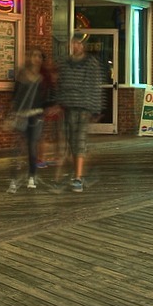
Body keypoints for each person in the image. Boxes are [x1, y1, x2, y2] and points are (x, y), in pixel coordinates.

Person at [55, 36, 105, 193]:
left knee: (79, 141)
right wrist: (57, 102)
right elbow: (59, 84)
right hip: (68, 106)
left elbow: (95, 86)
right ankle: (78, 171)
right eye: (73, 43)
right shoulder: (64, 63)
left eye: (78, 43)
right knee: (71, 142)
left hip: (83, 107)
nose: (75, 46)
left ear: (83, 46)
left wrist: (96, 109)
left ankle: (78, 177)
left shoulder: (90, 63)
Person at [7, 49, 51, 192]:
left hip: (36, 115)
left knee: (32, 147)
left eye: (39, 56)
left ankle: (31, 176)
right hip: (21, 114)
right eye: (34, 55)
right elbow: (15, 96)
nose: (36, 58)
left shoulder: (42, 78)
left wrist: (45, 111)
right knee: (18, 148)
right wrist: (12, 113)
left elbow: (45, 98)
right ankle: (14, 179)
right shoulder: (22, 75)